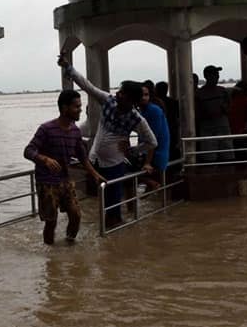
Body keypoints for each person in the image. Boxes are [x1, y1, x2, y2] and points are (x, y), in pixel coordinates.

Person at [57, 55, 157, 227]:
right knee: (102, 201)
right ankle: (111, 231)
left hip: (114, 164)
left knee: (113, 204)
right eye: (118, 91)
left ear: (131, 100)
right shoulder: (108, 101)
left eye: (122, 93)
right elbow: (88, 87)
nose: (117, 94)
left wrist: (132, 150)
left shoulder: (136, 119)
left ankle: (115, 237)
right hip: (95, 159)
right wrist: (69, 68)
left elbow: (152, 142)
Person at [24, 88, 103, 245]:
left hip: (65, 180)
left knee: (76, 215)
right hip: (46, 182)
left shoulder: (75, 131)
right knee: (51, 222)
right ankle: (50, 252)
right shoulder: (46, 129)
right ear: (64, 108)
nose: (80, 109)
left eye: (80, 106)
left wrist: (94, 174)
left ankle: (69, 243)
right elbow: (28, 151)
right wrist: (44, 159)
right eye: (76, 106)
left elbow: (82, 157)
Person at [195, 65, 233, 163]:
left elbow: (229, 108)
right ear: (207, 76)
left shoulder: (223, 91)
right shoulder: (199, 93)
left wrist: (224, 109)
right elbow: (196, 113)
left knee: (228, 157)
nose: (217, 77)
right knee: (209, 159)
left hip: (223, 128)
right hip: (207, 130)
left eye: (217, 75)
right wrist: (208, 113)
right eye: (214, 74)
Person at [139, 83, 171, 191]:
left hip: (156, 156)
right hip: (148, 153)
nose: (144, 98)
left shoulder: (154, 110)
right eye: (141, 95)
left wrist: (147, 162)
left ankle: (151, 183)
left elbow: (153, 139)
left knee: (124, 171)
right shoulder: (141, 111)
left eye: (146, 95)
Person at [154, 81, 181, 161]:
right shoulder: (173, 102)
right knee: (171, 149)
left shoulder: (155, 103)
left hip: (160, 130)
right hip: (171, 129)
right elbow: (178, 117)